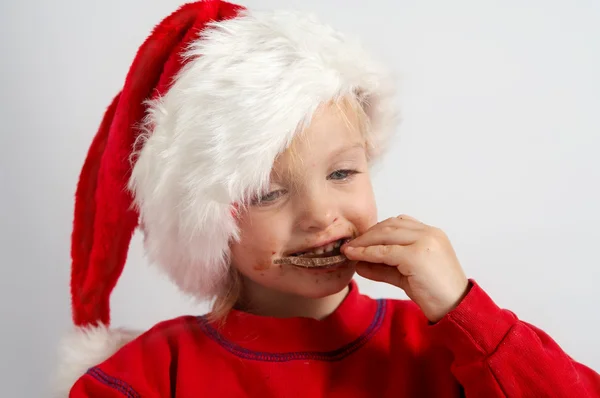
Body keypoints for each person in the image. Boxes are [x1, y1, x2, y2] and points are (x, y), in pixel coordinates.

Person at [57, 1, 600, 397]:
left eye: (342, 171)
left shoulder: (439, 349)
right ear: (208, 223)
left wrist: (464, 309)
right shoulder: (150, 376)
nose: (320, 214)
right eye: (269, 192)